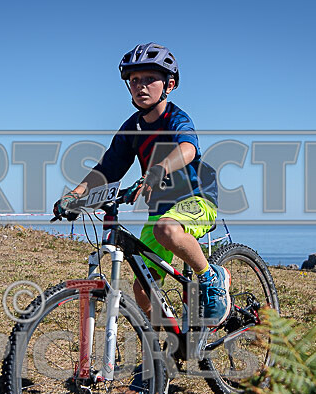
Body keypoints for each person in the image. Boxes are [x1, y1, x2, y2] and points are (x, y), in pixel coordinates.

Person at [52, 42, 231, 327]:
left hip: (196, 198)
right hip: (161, 208)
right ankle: (168, 349)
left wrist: (159, 168)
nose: (140, 86)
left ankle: (211, 277)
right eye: (134, 80)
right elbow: (107, 169)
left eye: (150, 79)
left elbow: (188, 149)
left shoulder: (176, 118)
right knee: (142, 290)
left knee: (167, 230)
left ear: (169, 84)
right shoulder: (131, 129)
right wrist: (75, 195)